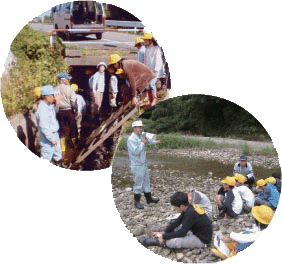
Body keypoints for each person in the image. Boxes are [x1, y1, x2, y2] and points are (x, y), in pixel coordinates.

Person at [140, 191, 213, 249]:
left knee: (174, 242)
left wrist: (164, 236)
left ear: (181, 206)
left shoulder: (190, 213)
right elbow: (178, 221)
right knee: (175, 228)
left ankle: (159, 242)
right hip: (195, 231)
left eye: (175, 207)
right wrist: (164, 232)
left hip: (202, 239)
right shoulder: (188, 207)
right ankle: (163, 237)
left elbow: (182, 233)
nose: (175, 209)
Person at [126, 120, 161, 209]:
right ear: (134, 129)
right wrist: (142, 143)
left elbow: (147, 142)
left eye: (142, 127)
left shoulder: (140, 136)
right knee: (138, 183)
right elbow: (135, 151)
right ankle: (137, 202)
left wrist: (155, 142)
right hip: (136, 165)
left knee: (146, 182)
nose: (141, 129)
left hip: (143, 164)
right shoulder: (130, 139)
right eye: (139, 127)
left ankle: (149, 199)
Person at [35, 85, 62, 166]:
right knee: (46, 158)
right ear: (47, 97)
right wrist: (51, 139)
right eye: (52, 96)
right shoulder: (42, 109)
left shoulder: (48, 105)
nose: (54, 97)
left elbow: (54, 113)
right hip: (47, 139)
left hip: (54, 134)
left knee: (58, 154)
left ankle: (59, 164)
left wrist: (56, 104)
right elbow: (44, 126)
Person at [54, 72, 78, 151]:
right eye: (67, 79)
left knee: (62, 130)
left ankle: (63, 148)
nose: (68, 81)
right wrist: (76, 110)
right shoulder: (69, 89)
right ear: (63, 80)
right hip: (68, 111)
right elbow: (73, 102)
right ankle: (74, 145)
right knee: (73, 128)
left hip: (59, 112)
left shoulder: (55, 89)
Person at [143, 32, 164, 107]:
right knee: (148, 85)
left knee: (152, 84)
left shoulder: (156, 49)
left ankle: (155, 99)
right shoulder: (147, 49)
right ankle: (150, 100)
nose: (144, 41)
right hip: (148, 70)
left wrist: (156, 70)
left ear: (150, 40)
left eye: (145, 40)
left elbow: (158, 60)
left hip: (155, 70)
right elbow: (145, 60)